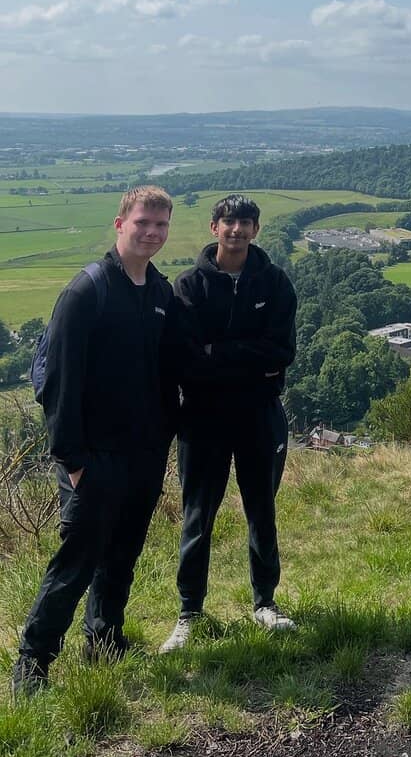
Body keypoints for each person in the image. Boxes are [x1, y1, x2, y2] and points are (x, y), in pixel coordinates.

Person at [14, 186, 179, 697]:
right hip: (93, 456)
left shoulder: (160, 292)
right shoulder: (87, 291)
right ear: (120, 224)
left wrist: (165, 438)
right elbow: (59, 382)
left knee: (122, 556)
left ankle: (104, 641)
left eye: (160, 224)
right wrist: (73, 460)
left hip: (144, 453)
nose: (151, 232)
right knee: (76, 564)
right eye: (142, 222)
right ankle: (33, 664)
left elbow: (164, 373)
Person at [160, 195, 297, 651]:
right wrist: (247, 359)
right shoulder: (189, 285)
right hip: (203, 417)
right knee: (198, 515)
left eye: (245, 222)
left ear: (256, 229)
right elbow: (185, 359)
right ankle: (189, 612)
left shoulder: (275, 283)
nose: (236, 230)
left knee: (262, 510)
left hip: (260, 414)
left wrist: (218, 353)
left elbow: (282, 352)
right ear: (214, 227)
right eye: (229, 221)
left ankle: (265, 603)